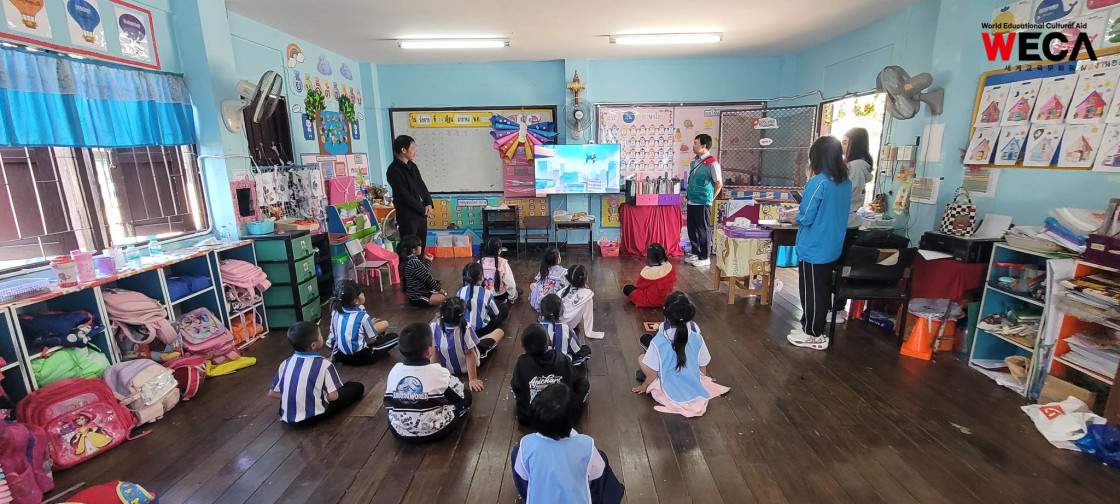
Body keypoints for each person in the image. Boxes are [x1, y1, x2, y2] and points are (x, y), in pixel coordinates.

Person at [786, 136, 852, 351]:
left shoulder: (819, 182)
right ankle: (809, 326)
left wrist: (794, 217)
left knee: (812, 291)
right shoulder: (844, 182)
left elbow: (806, 216)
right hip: (833, 244)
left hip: (815, 245)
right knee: (820, 289)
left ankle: (814, 333)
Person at [511, 383, 625, 504]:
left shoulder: (526, 444)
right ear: (574, 417)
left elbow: (522, 478)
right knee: (601, 458)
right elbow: (596, 477)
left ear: (535, 415)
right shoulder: (586, 445)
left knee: (517, 455)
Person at [633, 292, 729, 417]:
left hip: (669, 387)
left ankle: (651, 382)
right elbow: (702, 365)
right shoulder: (697, 337)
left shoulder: (659, 340)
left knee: (641, 358)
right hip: (692, 384)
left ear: (666, 314)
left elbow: (654, 371)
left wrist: (645, 385)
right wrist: (701, 379)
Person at [384, 322, 472, 443]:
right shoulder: (438, 371)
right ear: (429, 351)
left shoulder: (394, 371)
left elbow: (388, 404)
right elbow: (460, 395)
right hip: (436, 431)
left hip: (400, 432)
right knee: (466, 397)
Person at [269, 321, 364, 425]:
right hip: (313, 416)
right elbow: (333, 396)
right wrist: (313, 398)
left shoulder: (285, 363)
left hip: (286, 414)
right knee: (357, 387)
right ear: (313, 345)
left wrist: (296, 398)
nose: (322, 337)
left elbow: (272, 393)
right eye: (320, 336)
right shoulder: (324, 364)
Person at [833, 127, 875, 324]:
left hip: (845, 222)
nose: (842, 146)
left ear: (854, 144)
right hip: (844, 221)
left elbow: (847, 195)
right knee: (839, 266)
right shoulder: (854, 166)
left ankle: (837, 309)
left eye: (845, 142)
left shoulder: (856, 167)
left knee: (840, 267)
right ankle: (836, 307)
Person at [510, 324, 590, 425]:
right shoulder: (562, 358)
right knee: (583, 384)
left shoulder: (522, 362)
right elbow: (579, 383)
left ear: (523, 346)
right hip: (562, 417)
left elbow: (516, 387)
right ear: (550, 342)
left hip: (531, 417)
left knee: (517, 387)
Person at [432, 297, 506, 392]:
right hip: (467, 365)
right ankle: (475, 341)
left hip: (446, 368)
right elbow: (470, 355)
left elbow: (434, 352)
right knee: (499, 332)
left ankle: (475, 341)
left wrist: (433, 374)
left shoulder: (434, 325)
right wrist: (473, 379)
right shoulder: (465, 328)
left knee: (474, 342)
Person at [386, 135, 434, 279]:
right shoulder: (393, 170)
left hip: (420, 215)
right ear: (403, 150)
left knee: (420, 247)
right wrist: (422, 208)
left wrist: (429, 203)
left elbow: (422, 186)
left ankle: (421, 277)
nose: (414, 151)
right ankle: (409, 280)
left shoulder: (412, 166)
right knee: (408, 249)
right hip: (408, 216)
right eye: (412, 148)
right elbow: (403, 195)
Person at [327, 279, 399, 366]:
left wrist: (332, 356)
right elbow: (372, 340)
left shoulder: (335, 312)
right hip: (360, 357)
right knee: (395, 337)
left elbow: (336, 336)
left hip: (340, 356)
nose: (363, 294)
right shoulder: (363, 316)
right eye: (360, 293)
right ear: (356, 301)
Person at [684, 134, 723, 268]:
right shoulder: (694, 162)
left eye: (696, 143)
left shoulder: (712, 163)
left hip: (703, 202)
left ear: (704, 146)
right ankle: (696, 253)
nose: (693, 146)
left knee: (703, 229)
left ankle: (705, 256)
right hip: (692, 200)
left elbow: (718, 183)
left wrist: (710, 199)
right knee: (692, 229)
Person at [458, 262, 509, 337]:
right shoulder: (487, 293)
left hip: (464, 330)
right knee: (504, 308)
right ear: (482, 277)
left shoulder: (460, 291)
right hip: (482, 331)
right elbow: (495, 313)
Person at [539, 293, 591, 366]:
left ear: (541, 311)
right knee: (586, 349)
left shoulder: (537, 328)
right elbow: (576, 348)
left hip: (541, 363)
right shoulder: (565, 328)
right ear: (562, 311)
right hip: (562, 364)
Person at [622, 242, 676, 308]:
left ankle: (638, 302)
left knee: (627, 288)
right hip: (665, 299)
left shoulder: (647, 272)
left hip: (650, 300)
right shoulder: (670, 267)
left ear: (649, 257)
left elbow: (639, 286)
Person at [559, 265, 604, 339]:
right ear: (585, 279)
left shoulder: (562, 291)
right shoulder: (587, 296)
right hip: (569, 325)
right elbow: (588, 317)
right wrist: (589, 332)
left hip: (556, 321)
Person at [401, 234, 446, 307]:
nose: (421, 247)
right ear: (414, 250)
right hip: (418, 296)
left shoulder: (411, 259)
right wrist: (440, 290)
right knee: (442, 297)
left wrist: (428, 261)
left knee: (439, 293)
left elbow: (424, 273)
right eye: (420, 246)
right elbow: (427, 278)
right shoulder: (414, 262)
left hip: (419, 292)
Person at [480, 237, 518, 304]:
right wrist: (512, 297)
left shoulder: (480, 262)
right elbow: (510, 284)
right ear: (500, 250)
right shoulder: (503, 263)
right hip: (500, 296)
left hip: (484, 296)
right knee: (519, 291)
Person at [529, 247, 568, 311]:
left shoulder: (543, 270)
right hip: (554, 303)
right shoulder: (564, 271)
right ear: (558, 259)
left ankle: (538, 297)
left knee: (532, 285)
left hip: (541, 304)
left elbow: (538, 282)